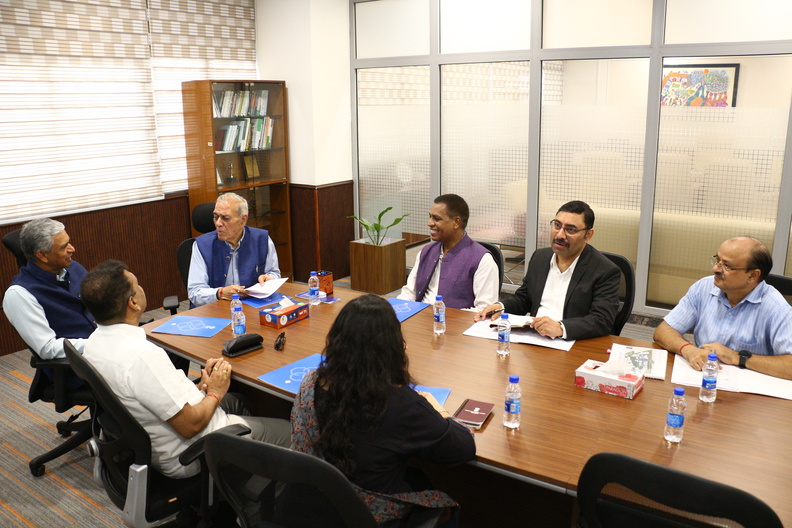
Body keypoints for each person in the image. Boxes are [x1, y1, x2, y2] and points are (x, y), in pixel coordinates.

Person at [81, 260, 290, 478]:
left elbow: (153, 394)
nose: (141, 288)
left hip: (157, 436)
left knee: (242, 401)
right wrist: (215, 392)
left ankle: (252, 465)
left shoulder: (94, 343)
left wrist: (201, 386)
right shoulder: (142, 357)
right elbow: (191, 425)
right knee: (291, 431)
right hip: (190, 451)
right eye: (138, 284)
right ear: (133, 302)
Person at [291, 294, 476, 525]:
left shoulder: (310, 383)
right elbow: (463, 448)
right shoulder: (400, 403)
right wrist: (439, 411)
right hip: (369, 513)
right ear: (393, 348)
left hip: (312, 506)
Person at [476, 200, 620, 340]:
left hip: (573, 343)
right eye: (557, 225)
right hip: (533, 337)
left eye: (570, 229)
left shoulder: (605, 271)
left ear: (588, 235)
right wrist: (501, 306)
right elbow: (524, 299)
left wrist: (561, 328)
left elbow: (602, 320)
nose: (560, 235)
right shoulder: (540, 257)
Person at [654, 237, 792, 380]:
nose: (715, 269)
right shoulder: (703, 287)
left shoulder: (777, 309)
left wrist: (737, 357)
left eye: (726, 266)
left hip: (750, 388)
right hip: (704, 379)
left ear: (752, 275)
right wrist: (689, 350)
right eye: (717, 260)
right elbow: (663, 331)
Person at [3, 218, 94, 387]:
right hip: (80, 368)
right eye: (64, 247)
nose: (72, 249)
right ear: (42, 255)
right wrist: (102, 343)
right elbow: (48, 348)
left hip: (105, 350)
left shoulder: (73, 268)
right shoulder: (20, 294)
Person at [398, 194, 499, 311]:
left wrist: (445, 318)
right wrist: (396, 310)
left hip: (457, 321)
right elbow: (409, 293)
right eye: (430, 217)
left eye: (437, 219)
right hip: (420, 316)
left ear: (456, 222)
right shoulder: (426, 252)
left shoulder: (483, 259)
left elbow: (484, 309)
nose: (429, 223)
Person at [188, 192, 280, 307]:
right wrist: (220, 293)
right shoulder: (201, 245)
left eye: (225, 218)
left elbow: (274, 273)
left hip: (252, 305)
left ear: (243, 220)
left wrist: (269, 278)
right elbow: (195, 292)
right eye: (216, 217)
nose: (218, 223)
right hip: (215, 308)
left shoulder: (262, 239)